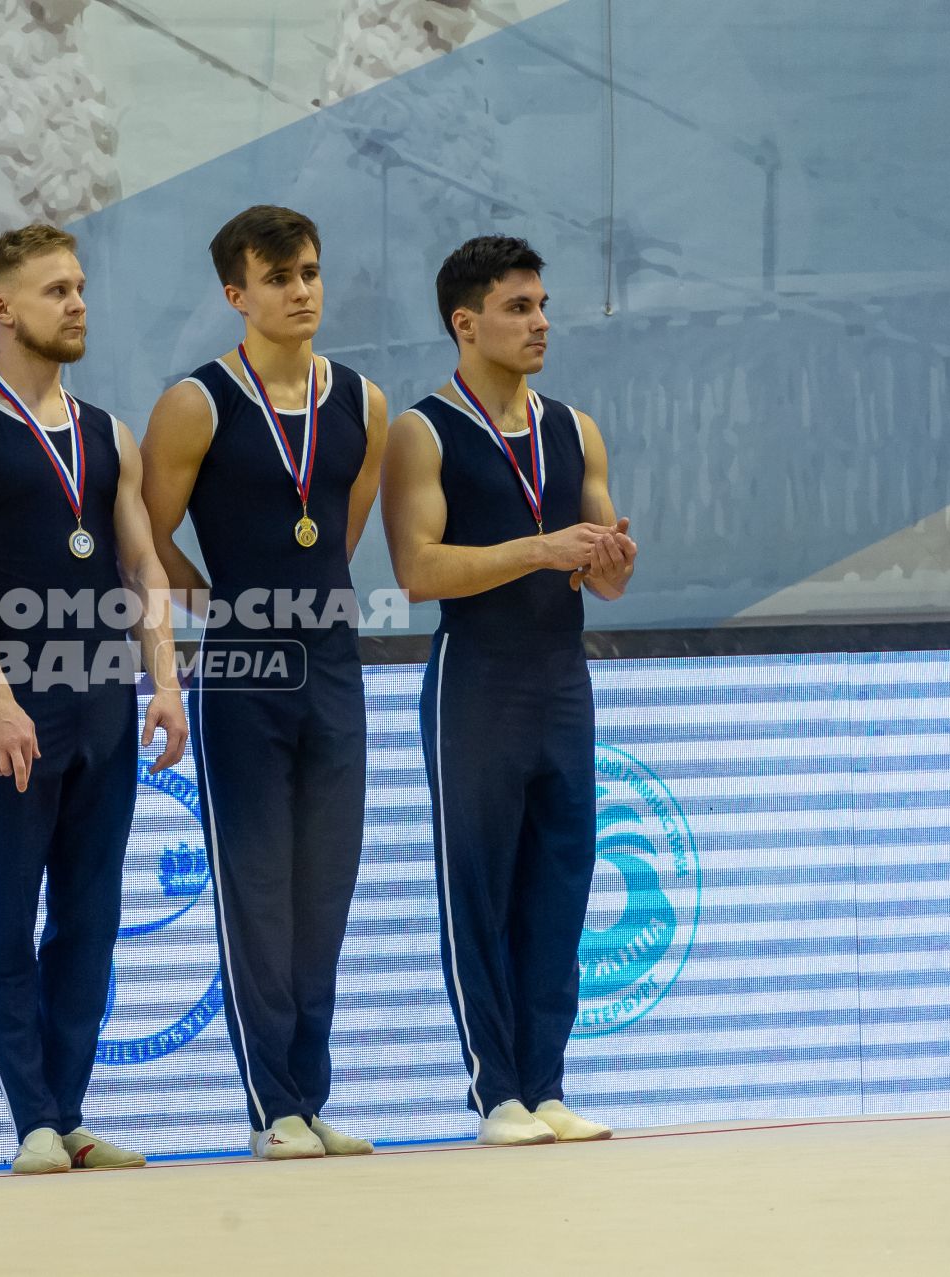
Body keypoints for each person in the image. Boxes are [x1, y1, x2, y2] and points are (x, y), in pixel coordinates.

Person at [0, 224, 187, 1174]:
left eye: (79, 287)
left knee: (92, 915)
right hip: (20, 705)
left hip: (107, 705)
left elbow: (143, 565)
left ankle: (70, 1112)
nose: (77, 303)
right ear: (2, 308)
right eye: (55, 291)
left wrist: (164, 680)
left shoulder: (108, 432)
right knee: (7, 914)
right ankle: (31, 1116)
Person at [140, 205, 386, 1160]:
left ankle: (312, 1096)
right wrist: (224, 604)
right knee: (259, 889)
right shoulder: (196, 404)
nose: (300, 292)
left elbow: (344, 527)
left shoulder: (363, 402)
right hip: (242, 668)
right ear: (236, 295)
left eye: (311, 273)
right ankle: (271, 1106)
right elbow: (148, 539)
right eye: (279, 278)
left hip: (331, 662)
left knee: (326, 888)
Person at [379, 235, 636, 1146]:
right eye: (520, 307)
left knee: (561, 885)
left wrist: (612, 561)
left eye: (542, 305)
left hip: (562, 679)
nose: (541, 322)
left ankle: (548, 1083)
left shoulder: (575, 427)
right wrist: (539, 546)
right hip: (475, 681)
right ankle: (496, 1094)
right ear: (466, 321)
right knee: (479, 890)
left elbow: (604, 580)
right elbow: (415, 570)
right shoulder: (422, 430)